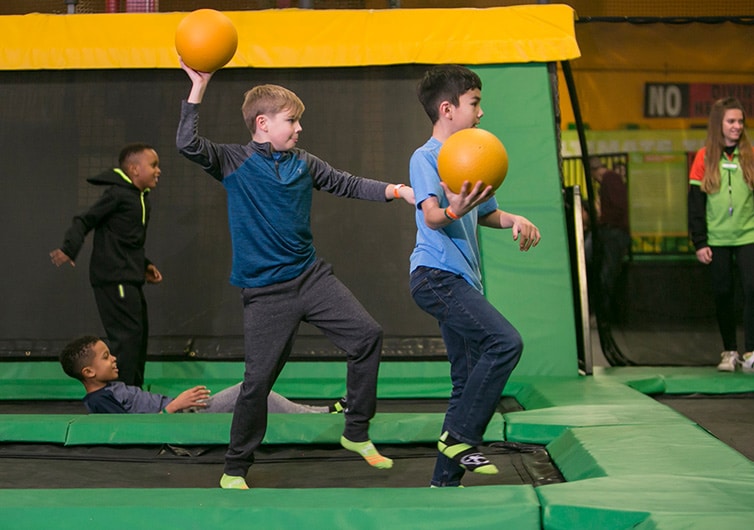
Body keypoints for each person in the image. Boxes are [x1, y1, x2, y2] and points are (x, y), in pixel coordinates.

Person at [176, 59, 415, 490]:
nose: (300, 128)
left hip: (312, 279)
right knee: (258, 384)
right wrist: (198, 88)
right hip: (266, 294)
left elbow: (346, 182)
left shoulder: (303, 162)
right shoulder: (233, 161)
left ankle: (355, 431)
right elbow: (187, 144)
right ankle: (235, 468)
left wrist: (395, 190)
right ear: (263, 123)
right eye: (293, 121)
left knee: (367, 335)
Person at [408, 64, 540, 487]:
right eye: (474, 103)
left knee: (465, 384)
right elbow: (431, 216)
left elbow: (487, 212)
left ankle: (443, 483)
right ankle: (460, 436)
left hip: (461, 282)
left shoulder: (472, 157)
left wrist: (514, 219)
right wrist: (452, 210)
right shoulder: (426, 157)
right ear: (447, 109)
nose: (481, 113)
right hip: (434, 277)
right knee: (505, 342)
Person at [50, 143, 163, 389]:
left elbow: (126, 242)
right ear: (134, 169)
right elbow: (84, 220)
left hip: (129, 278)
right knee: (126, 337)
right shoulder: (118, 195)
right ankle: (122, 396)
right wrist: (70, 248)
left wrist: (144, 265)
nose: (158, 171)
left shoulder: (141, 199)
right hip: (115, 280)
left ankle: (133, 392)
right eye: (153, 165)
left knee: (137, 335)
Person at [60, 335, 338, 414]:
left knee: (251, 393)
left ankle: (318, 412)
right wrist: (174, 407)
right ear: (89, 371)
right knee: (249, 389)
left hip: (181, 412)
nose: (114, 359)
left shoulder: (108, 391)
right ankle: (322, 414)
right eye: (106, 357)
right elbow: (128, 432)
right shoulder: (98, 401)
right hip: (180, 419)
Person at [688, 97, 754, 373]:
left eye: (740, 121)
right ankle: (730, 351)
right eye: (731, 121)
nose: (737, 126)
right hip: (716, 240)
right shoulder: (704, 157)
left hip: (749, 236)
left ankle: (751, 351)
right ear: (719, 124)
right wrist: (700, 241)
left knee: (752, 290)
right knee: (723, 292)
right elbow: (694, 202)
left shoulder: (751, 155)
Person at [589, 156, 630, 322]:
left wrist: (602, 220)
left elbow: (618, 207)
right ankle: (603, 314)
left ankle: (603, 315)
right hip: (613, 232)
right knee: (607, 272)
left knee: (607, 273)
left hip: (613, 233)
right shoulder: (612, 180)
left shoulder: (610, 180)